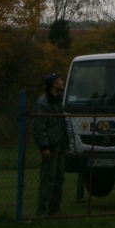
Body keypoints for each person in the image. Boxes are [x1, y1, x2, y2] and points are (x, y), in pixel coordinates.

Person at [33, 71, 68, 217]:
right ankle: (42, 212)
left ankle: (54, 210)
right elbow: (40, 127)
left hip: (60, 146)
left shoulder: (58, 101)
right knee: (48, 180)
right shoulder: (43, 103)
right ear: (54, 84)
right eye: (60, 80)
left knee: (59, 179)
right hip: (51, 147)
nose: (62, 82)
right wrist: (44, 146)